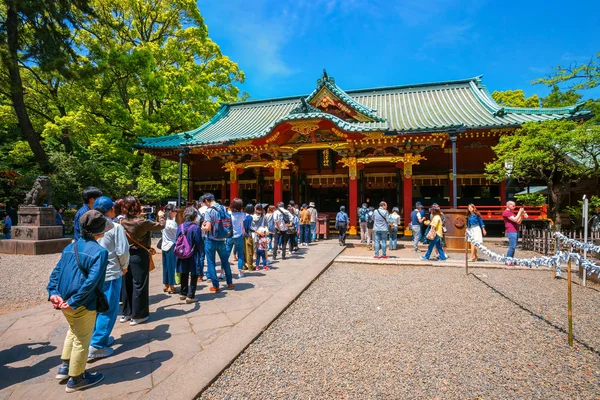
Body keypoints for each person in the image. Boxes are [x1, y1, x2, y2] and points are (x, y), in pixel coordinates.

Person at [47, 210, 108, 392]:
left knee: (73, 331)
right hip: (81, 302)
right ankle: (77, 378)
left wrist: (53, 292)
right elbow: (91, 282)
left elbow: (56, 273)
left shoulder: (70, 247)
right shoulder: (100, 252)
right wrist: (75, 300)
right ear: (100, 230)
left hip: (63, 300)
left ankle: (65, 366)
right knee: (82, 339)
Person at [88, 197, 130, 359]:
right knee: (108, 308)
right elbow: (122, 251)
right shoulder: (115, 227)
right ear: (110, 209)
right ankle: (97, 345)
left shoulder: (89, 226)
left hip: (93, 273)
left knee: (94, 308)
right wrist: (124, 266)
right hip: (111, 272)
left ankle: (94, 338)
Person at [119, 196, 165, 326]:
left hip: (126, 254)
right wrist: (161, 215)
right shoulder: (141, 222)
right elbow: (161, 226)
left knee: (126, 283)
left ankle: (126, 313)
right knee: (139, 284)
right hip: (139, 254)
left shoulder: (122, 222)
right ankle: (138, 315)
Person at [201, 193, 234, 292]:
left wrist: (202, 227)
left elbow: (207, 227)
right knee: (225, 261)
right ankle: (230, 283)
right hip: (222, 238)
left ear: (207, 201)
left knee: (211, 262)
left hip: (211, 239)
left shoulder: (209, 211)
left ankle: (216, 286)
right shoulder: (224, 208)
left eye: (205, 202)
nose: (205, 204)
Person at [176, 207, 203, 303]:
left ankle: (183, 293)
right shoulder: (196, 228)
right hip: (193, 253)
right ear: (195, 217)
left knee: (184, 272)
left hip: (182, 253)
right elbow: (199, 242)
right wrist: (201, 252)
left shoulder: (180, 226)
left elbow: (177, 239)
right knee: (194, 274)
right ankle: (190, 295)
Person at [226, 198, 246, 278]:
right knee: (240, 254)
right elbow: (243, 223)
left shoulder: (229, 213)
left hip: (229, 236)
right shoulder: (242, 214)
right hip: (239, 235)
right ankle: (240, 272)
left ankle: (222, 272)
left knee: (226, 254)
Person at [161, 204, 178, 294]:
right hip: (172, 245)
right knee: (171, 266)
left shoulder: (163, 222)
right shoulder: (172, 223)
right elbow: (177, 234)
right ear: (171, 212)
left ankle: (166, 284)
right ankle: (171, 286)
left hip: (164, 245)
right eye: (175, 211)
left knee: (166, 266)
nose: (176, 212)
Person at [243, 204, 255, 271]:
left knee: (243, 251)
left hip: (241, 236)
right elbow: (249, 228)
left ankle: (243, 265)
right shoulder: (250, 217)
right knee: (250, 251)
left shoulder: (243, 216)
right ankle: (250, 266)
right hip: (248, 235)